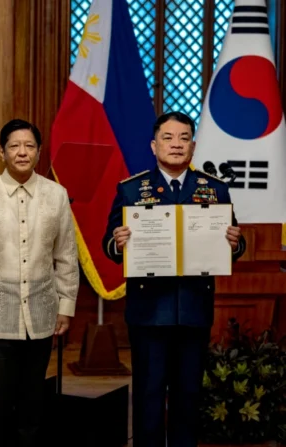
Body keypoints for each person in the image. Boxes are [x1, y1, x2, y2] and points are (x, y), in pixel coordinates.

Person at [102, 111, 246, 447]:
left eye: (183, 138)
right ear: (154, 146)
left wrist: (236, 243)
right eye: (168, 138)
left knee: (188, 397)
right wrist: (118, 242)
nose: (176, 144)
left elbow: (233, 242)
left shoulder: (214, 189)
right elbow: (109, 244)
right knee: (149, 397)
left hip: (194, 311)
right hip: (149, 312)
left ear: (193, 146)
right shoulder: (132, 189)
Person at [0, 118, 79, 446]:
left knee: (33, 402)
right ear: (1, 153)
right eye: (14, 146)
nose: (22, 152)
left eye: (29, 146)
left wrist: (66, 306)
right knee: (0, 403)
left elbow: (65, 255)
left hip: (41, 314)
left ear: (38, 152)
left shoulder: (57, 195)